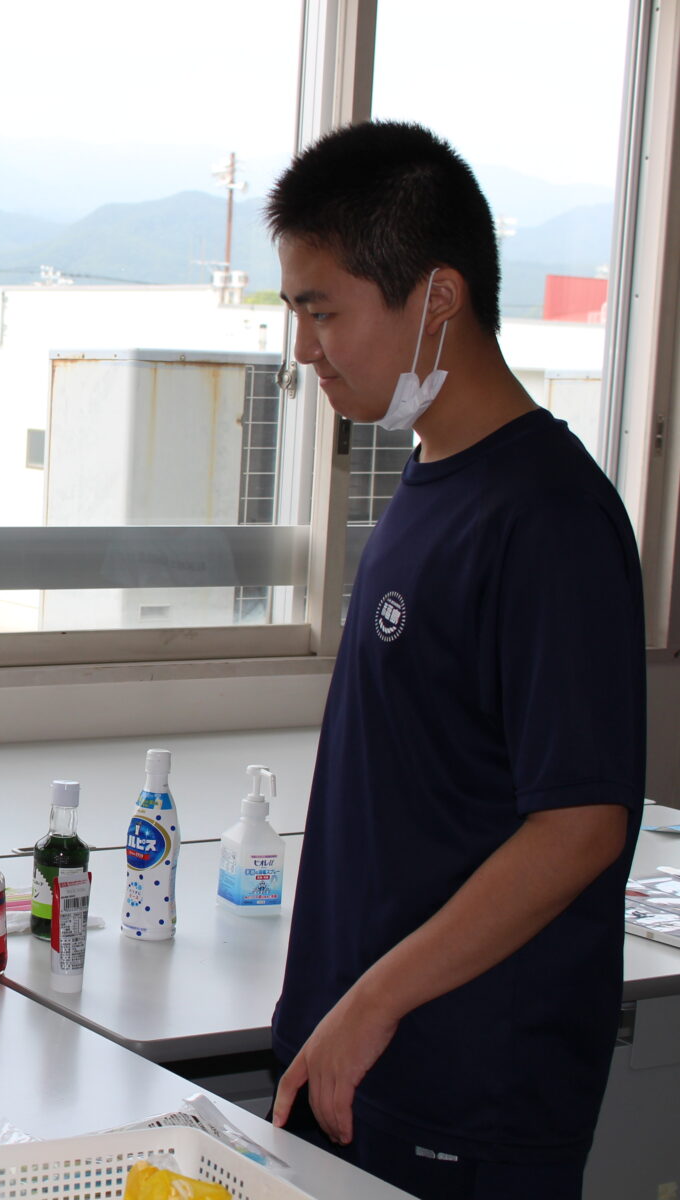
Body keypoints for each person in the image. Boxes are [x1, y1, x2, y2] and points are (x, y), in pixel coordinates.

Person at [265, 122, 644, 1199]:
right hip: (364, 1059)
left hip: (465, 1088)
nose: (307, 349)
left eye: (323, 310)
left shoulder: (549, 518)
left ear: (438, 297)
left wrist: (374, 1003)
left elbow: (580, 823)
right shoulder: (435, 482)